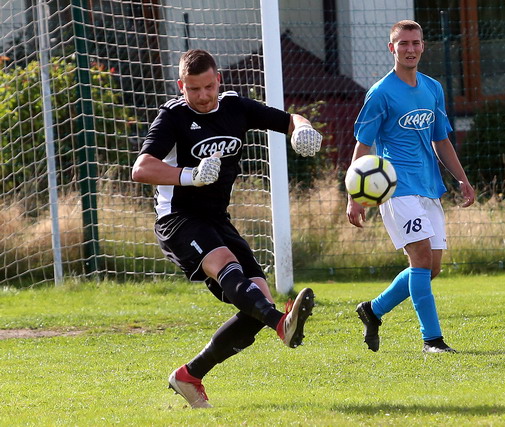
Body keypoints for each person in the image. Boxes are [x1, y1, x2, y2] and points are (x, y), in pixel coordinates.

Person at [132, 49, 323, 408]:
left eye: (208, 87)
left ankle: (189, 376)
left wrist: (303, 128)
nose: (203, 96)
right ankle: (282, 325)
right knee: (224, 263)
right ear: (181, 86)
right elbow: (141, 169)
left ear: (218, 80)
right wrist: (189, 175)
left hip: (217, 219)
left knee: (257, 303)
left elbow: (289, 119)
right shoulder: (173, 117)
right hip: (178, 218)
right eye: (193, 89)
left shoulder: (236, 107)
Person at [346, 20, 475, 354]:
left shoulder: (433, 88)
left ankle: (373, 310)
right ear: (392, 48)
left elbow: (441, 140)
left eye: (415, 43)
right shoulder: (380, 93)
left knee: (432, 268)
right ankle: (432, 340)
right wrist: (355, 196)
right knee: (420, 258)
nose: (410, 49)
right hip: (396, 188)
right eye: (403, 43)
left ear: (422, 47)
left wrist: (462, 179)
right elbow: (363, 145)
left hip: (429, 185)